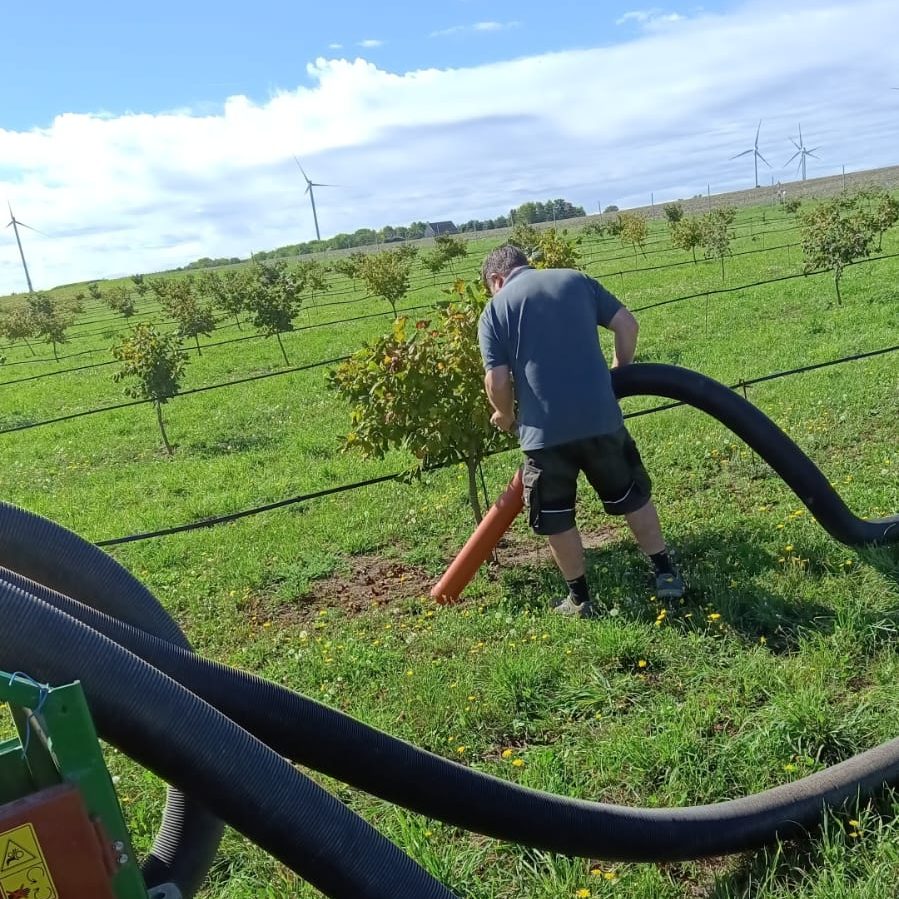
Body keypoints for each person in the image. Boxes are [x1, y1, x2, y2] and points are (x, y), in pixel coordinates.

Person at [478, 245, 684, 618]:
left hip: (544, 435)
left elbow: (497, 379)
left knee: (556, 515)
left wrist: (504, 415)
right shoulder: (575, 279)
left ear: (496, 279)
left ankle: (579, 599)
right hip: (601, 420)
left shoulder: (496, 309)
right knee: (632, 497)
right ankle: (665, 573)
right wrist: (620, 373)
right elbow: (628, 324)